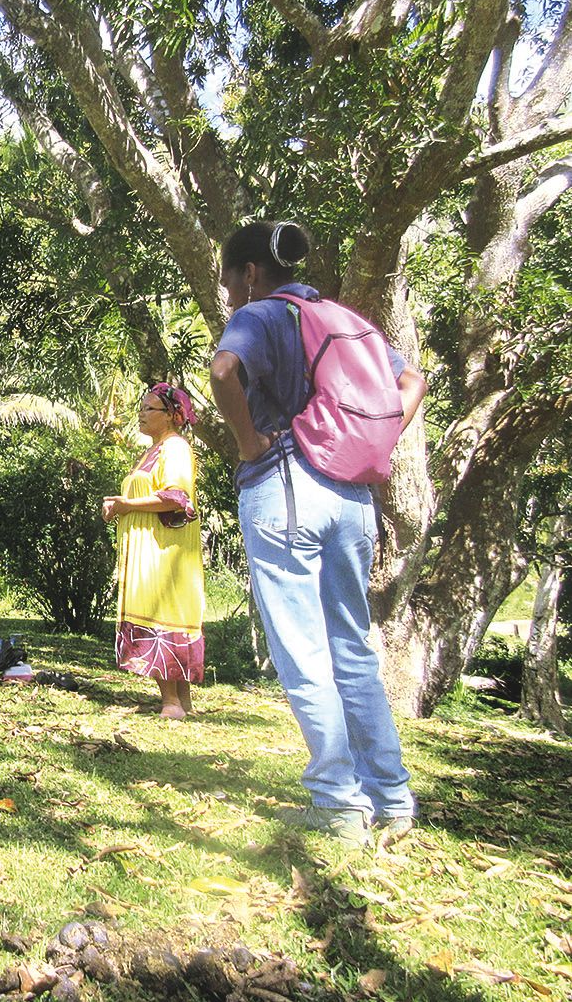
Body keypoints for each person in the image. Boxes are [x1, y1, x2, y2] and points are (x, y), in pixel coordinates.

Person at [210, 220, 426, 848]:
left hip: (286, 488)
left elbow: (225, 371)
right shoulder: (342, 317)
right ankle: (391, 798)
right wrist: (378, 440)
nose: (227, 292)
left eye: (229, 278)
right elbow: (413, 382)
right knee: (353, 650)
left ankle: (337, 805)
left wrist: (249, 442)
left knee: (303, 653)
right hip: (353, 498)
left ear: (251, 272)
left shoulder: (263, 313)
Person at [102, 384, 207, 720]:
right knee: (163, 613)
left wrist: (126, 505)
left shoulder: (174, 448)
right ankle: (181, 700)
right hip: (150, 549)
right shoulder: (153, 450)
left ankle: (171, 702)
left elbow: (177, 498)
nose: (142, 414)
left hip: (164, 553)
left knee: (163, 614)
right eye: (142, 408)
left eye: (150, 409)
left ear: (172, 416)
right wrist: (120, 508)